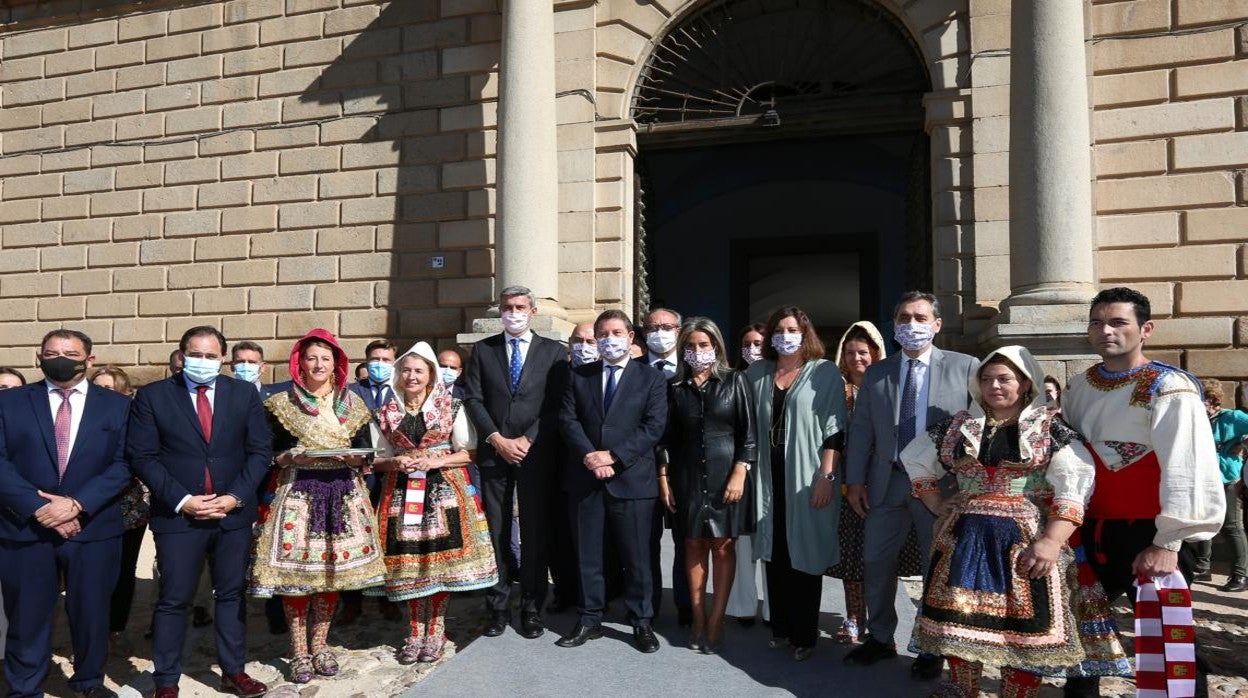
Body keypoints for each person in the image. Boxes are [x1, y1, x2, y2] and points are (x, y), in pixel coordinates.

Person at [901, 346, 1130, 698]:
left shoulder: (1049, 428)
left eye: (1004, 378)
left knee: (1023, 629)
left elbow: (1075, 482)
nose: (995, 385)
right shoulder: (960, 427)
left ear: (1025, 384)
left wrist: (1052, 541)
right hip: (962, 538)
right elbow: (915, 458)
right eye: (987, 379)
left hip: (1024, 540)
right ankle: (964, 689)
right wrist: (935, 500)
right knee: (958, 621)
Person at [1062, 287, 1224, 697]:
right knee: (1083, 629)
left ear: (1145, 329)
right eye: (1097, 322)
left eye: (1118, 322)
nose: (1105, 331)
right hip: (1091, 529)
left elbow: (1188, 465)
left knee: (1170, 635)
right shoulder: (1081, 385)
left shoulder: (1171, 387)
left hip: (1148, 533)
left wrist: (1168, 541)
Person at [127, 325, 272, 698]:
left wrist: (236, 497)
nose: (202, 362)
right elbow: (143, 455)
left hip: (232, 514)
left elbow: (260, 451)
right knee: (173, 598)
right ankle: (166, 680)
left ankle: (233, 671)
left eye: (210, 356)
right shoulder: (154, 396)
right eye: (195, 354)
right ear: (181, 355)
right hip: (178, 516)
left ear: (222, 359)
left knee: (231, 594)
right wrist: (183, 500)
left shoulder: (243, 395)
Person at [843, 291, 977, 679]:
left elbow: (980, 427)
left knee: (934, 567)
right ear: (894, 325)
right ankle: (881, 637)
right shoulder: (879, 373)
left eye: (920, 318)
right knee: (875, 560)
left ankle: (931, 645)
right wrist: (853, 481)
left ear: (937, 324)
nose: (912, 325)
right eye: (904, 317)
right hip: (886, 484)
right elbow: (862, 430)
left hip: (941, 489)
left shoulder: (965, 366)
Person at [249, 329, 387, 683]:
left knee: (332, 573)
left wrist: (356, 459)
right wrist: (289, 456)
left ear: (337, 364)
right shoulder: (281, 402)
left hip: (344, 491)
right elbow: (269, 453)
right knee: (297, 576)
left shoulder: (354, 405)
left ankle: (321, 644)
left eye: (326, 358)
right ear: (300, 362)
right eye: (312, 357)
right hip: (299, 493)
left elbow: (365, 452)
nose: (319, 364)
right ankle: (298, 651)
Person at [0, 330, 132, 698]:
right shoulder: (8, 403)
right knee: (27, 616)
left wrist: (75, 504)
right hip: (25, 526)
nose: (60, 358)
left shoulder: (118, 406)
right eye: (51, 352)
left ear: (89, 360)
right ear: (37, 357)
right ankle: (25, 688)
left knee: (91, 612)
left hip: (92, 526)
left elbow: (125, 464)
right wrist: (39, 505)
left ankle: (89, 681)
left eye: (70, 352)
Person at [371, 342, 497, 664]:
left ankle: (437, 629)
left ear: (430, 375)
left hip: (443, 493)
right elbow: (377, 460)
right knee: (410, 563)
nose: (411, 376)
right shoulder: (385, 413)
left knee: (439, 562)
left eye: (419, 370)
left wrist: (433, 461)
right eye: (407, 370)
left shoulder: (451, 406)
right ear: (398, 374)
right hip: (401, 494)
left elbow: (468, 452)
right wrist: (396, 463)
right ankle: (415, 631)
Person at [557, 309, 668, 653]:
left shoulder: (651, 379)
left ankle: (641, 621)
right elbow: (568, 419)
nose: (608, 340)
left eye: (616, 333)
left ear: (631, 337)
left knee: (637, 556)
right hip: (587, 478)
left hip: (632, 480)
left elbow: (653, 426)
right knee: (589, 554)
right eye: (602, 334)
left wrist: (614, 456)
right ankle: (590, 617)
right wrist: (591, 456)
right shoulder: (579, 376)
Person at [463, 286, 569, 640]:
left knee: (536, 531)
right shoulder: (483, 350)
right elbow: (474, 398)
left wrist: (527, 439)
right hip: (495, 452)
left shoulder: (554, 352)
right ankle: (497, 605)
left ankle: (532, 606)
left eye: (520, 307)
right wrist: (496, 438)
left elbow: (555, 404)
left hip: (535, 453)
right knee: (496, 530)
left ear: (533, 311)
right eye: (507, 307)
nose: (513, 312)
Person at [744, 305, 845, 661]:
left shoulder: (824, 373)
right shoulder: (757, 373)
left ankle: (804, 634)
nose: (785, 335)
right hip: (768, 476)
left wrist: (827, 476)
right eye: (778, 330)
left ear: (805, 334)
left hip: (808, 474)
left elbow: (835, 430)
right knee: (776, 551)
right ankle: (782, 627)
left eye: (792, 329)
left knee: (804, 550)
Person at [658, 317, 757, 653]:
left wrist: (740, 472)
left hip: (726, 475)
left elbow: (749, 434)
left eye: (704, 345)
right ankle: (698, 617)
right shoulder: (674, 388)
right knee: (692, 545)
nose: (697, 351)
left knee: (723, 547)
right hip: (685, 477)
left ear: (716, 346)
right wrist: (663, 479)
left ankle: (717, 620)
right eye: (691, 345)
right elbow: (664, 439)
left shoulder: (735, 381)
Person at [824, 322, 923, 645]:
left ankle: (887, 623)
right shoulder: (837, 390)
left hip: (889, 482)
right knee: (852, 555)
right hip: (849, 485)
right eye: (851, 352)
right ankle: (855, 618)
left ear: (876, 353)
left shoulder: (892, 384)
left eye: (863, 352)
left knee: (884, 558)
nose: (857, 358)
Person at [342, 339, 403, 625]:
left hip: (394, 474)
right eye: (375, 359)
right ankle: (351, 602)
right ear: (366, 362)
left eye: (386, 360)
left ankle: (388, 599)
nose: (380, 364)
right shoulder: (350, 393)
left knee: (387, 536)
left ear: (394, 362)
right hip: (358, 476)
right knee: (353, 536)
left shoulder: (403, 392)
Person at [89, 367, 149, 649]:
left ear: (125, 393)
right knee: (92, 573)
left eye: (109, 388)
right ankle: (91, 633)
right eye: (97, 387)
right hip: (91, 507)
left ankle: (116, 627)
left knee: (123, 569)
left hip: (128, 508)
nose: (102, 393)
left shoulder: (135, 419)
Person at [642, 307, 693, 626]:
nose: (659, 333)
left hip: (684, 470)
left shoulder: (694, 369)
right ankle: (647, 607)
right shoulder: (633, 369)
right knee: (644, 542)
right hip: (641, 469)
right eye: (652, 327)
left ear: (679, 329)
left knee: (686, 540)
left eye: (667, 326)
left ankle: (686, 606)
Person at [727, 323, 769, 626]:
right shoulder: (732, 379)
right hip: (741, 466)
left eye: (758, 343)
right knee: (741, 541)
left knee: (768, 540)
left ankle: (773, 608)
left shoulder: (778, 377)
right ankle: (742, 606)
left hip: (771, 468)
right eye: (747, 343)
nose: (752, 349)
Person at [1191, 379, 1248, 592]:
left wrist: (1243, 443)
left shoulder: (1233, 417)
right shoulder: (1197, 420)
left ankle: (1241, 576)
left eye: (1199, 401)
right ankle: (1202, 566)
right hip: (1203, 478)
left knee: (1232, 526)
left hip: (1227, 478)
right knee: (1204, 522)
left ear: (1212, 401)